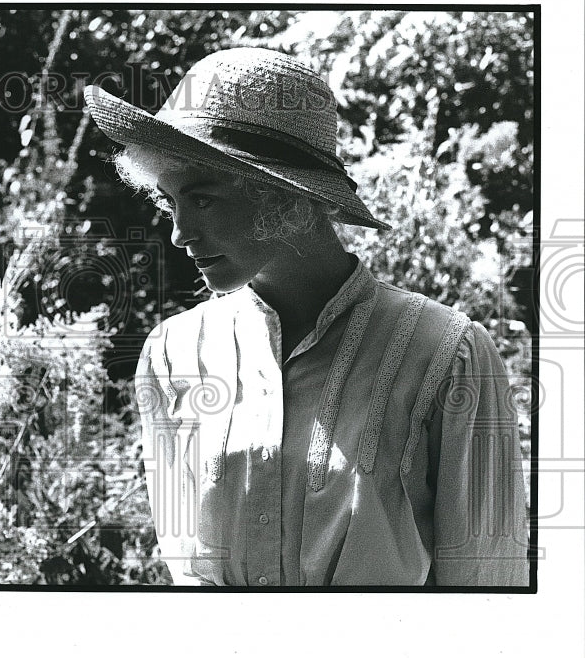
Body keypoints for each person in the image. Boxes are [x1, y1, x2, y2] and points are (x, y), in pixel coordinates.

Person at [84, 47, 529, 586]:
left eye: (202, 200)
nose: (179, 233)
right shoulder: (174, 353)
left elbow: (488, 586)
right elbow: (188, 571)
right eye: (169, 201)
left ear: (284, 195)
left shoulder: (446, 354)